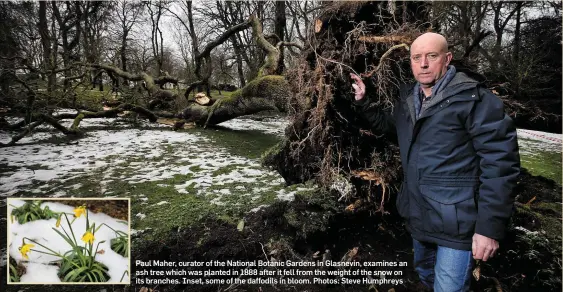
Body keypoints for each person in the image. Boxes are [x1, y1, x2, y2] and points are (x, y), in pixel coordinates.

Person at [350, 32, 520, 291]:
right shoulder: (409, 98)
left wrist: (489, 228)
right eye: (416, 57)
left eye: (431, 56)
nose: (424, 64)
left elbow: (501, 164)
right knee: (425, 275)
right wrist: (364, 102)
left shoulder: (474, 99)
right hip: (419, 217)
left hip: (458, 225)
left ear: (447, 58)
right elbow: (390, 127)